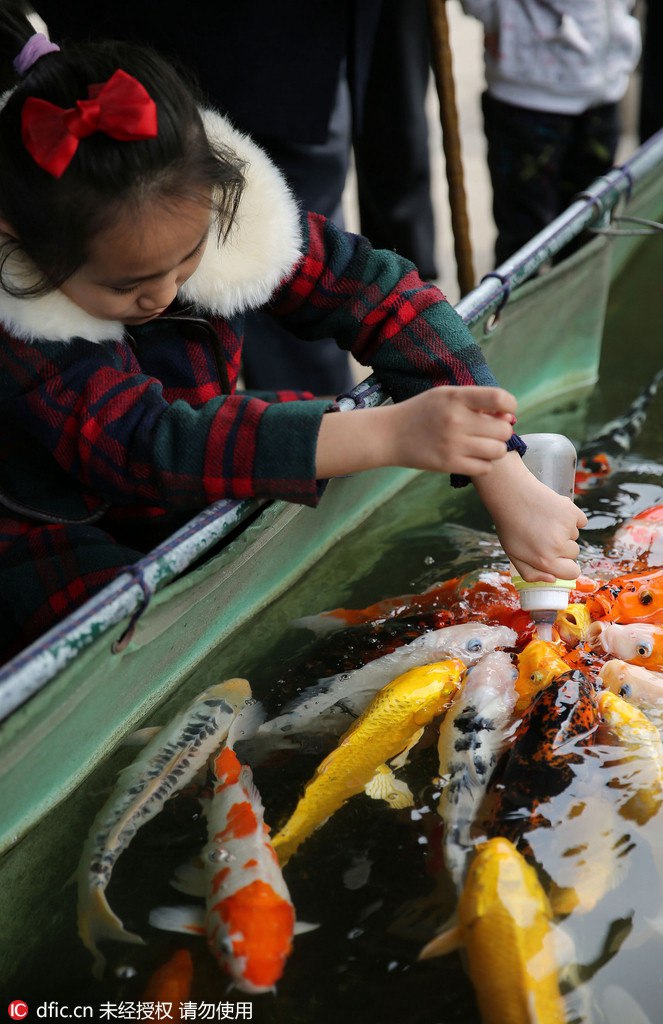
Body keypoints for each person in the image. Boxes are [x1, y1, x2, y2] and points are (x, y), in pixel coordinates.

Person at [0, 8, 586, 662]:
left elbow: (377, 293)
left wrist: (503, 471)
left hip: (178, 502)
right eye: (127, 285)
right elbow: (145, 445)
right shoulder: (22, 323)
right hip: (51, 531)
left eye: (187, 259)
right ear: (16, 240)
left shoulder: (210, 207)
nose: (163, 294)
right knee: (134, 659)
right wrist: (387, 432)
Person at [460, 0, 642, 265]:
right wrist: (501, 19)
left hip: (603, 90)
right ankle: (523, 307)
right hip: (527, 96)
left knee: (591, 231)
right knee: (524, 241)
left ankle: (581, 304)